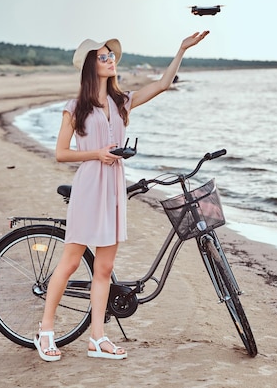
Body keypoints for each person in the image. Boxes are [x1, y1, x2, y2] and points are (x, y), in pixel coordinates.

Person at [34, 31, 210, 362]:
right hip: (90, 185)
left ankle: (97, 338)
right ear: (90, 65)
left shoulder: (121, 101)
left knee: (105, 267)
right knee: (71, 262)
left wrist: (181, 49)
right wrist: (95, 154)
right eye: (103, 56)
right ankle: (45, 331)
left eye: (111, 55)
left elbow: (162, 84)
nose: (110, 59)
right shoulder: (75, 108)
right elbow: (60, 153)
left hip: (114, 185)